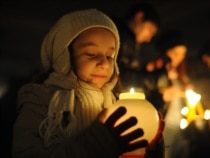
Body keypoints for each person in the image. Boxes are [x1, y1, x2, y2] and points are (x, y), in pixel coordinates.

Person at [12, 9, 164, 158]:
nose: (104, 63)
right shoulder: (40, 98)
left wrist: (150, 147)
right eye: (91, 54)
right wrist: (98, 141)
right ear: (64, 56)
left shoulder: (115, 103)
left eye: (110, 56)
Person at [144, 30, 191, 158]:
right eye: (175, 53)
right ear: (166, 52)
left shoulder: (182, 77)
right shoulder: (155, 72)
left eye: (182, 54)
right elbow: (147, 99)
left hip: (181, 127)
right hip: (165, 126)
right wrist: (163, 96)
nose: (179, 57)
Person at [112, 2, 160, 91]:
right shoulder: (120, 36)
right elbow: (118, 73)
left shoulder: (132, 41)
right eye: (150, 30)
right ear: (139, 16)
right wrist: (150, 80)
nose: (149, 38)